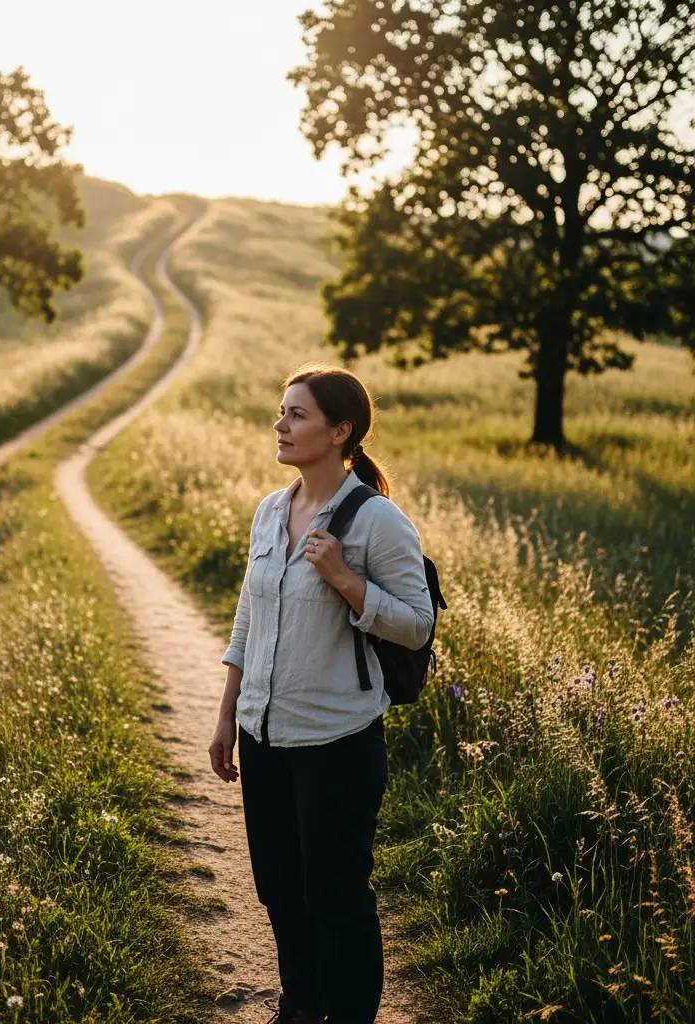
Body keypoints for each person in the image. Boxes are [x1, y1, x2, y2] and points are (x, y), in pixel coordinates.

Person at [207, 362, 434, 1024]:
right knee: (280, 890)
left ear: (340, 431)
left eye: (297, 414)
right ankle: (300, 1008)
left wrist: (345, 579)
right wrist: (227, 717)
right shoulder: (271, 510)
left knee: (336, 899)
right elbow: (248, 618)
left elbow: (417, 626)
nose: (280, 425)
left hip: (337, 740)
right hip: (263, 736)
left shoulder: (376, 521)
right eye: (281, 411)